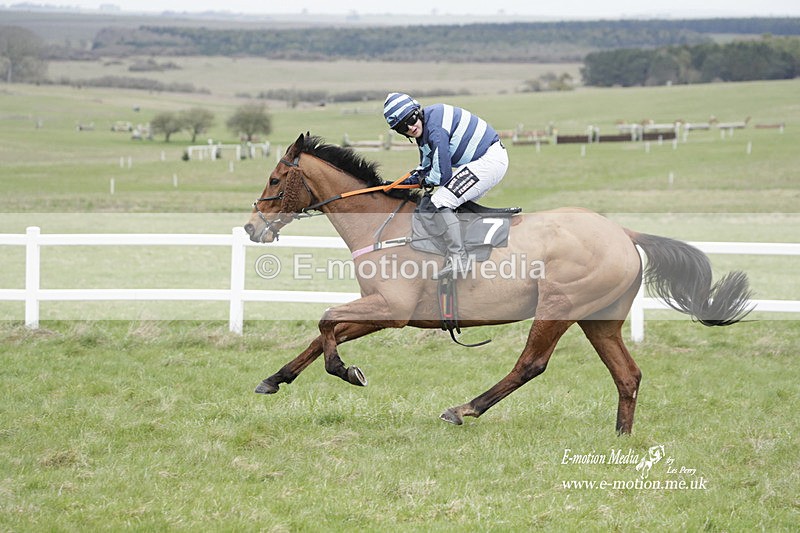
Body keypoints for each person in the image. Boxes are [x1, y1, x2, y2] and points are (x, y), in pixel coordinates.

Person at [383, 92, 508, 278]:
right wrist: (397, 185)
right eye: (402, 127)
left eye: (411, 119)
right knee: (448, 202)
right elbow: (425, 168)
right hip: (483, 161)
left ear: (418, 112)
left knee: (441, 200)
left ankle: (459, 259)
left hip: (489, 161)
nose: (410, 127)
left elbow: (441, 174)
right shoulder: (426, 130)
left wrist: (422, 181)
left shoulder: (435, 129)